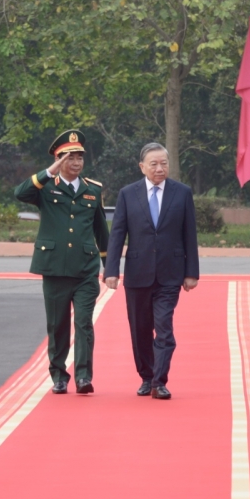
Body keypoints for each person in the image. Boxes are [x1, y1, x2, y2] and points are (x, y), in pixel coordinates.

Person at [15, 130, 109, 395]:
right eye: (69, 158)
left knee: (84, 323)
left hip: (85, 270)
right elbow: (20, 193)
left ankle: (83, 376)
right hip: (54, 268)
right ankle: (59, 375)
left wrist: (109, 268)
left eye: (79, 157)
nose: (76, 163)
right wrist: (49, 171)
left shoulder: (93, 190)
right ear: (58, 160)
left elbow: (102, 231)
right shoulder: (46, 188)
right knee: (57, 325)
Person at [104, 142, 199, 400]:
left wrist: (192, 272)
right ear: (142, 167)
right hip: (137, 273)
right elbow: (117, 235)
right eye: (154, 164)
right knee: (140, 329)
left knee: (164, 328)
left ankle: (160, 381)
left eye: (164, 163)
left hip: (170, 273)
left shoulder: (182, 193)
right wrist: (111, 270)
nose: (160, 168)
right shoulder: (127, 194)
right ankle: (146, 376)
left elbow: (189, 234)